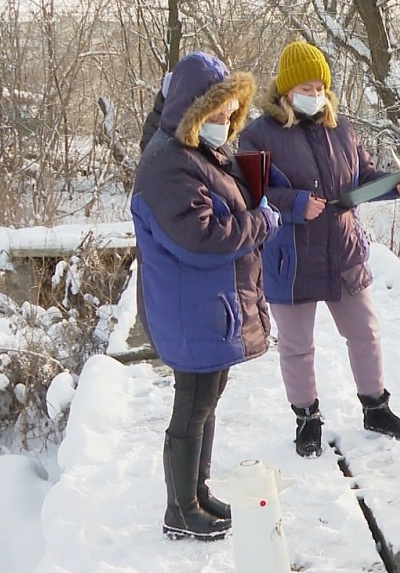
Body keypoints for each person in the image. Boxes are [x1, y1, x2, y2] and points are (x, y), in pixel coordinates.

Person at [237, 41, 400, 458]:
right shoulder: (257, 135)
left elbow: (363, 177)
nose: (315, 93)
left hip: (343, 250)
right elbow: (250, 191)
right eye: (305, 86)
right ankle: (306, 420)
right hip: (291, 257)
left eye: (320, 86)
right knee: (297, 347)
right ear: (285, 91)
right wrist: (297, 203)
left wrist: (394, 186)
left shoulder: (343, 129)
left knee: (365, 333)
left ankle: (376, 407)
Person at [130, 52, 280, 540]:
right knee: (192, 405)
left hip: (206, 304)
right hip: (188, 306)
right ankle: (180, 508)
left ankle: (198, 492)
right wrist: (260, 222)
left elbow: (163, 112)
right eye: (216, 115)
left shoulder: (193, 149)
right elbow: (200, 237)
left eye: (230, 114)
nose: (225, 123)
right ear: (194, 112)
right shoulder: (170, 165)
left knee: (208, 400)